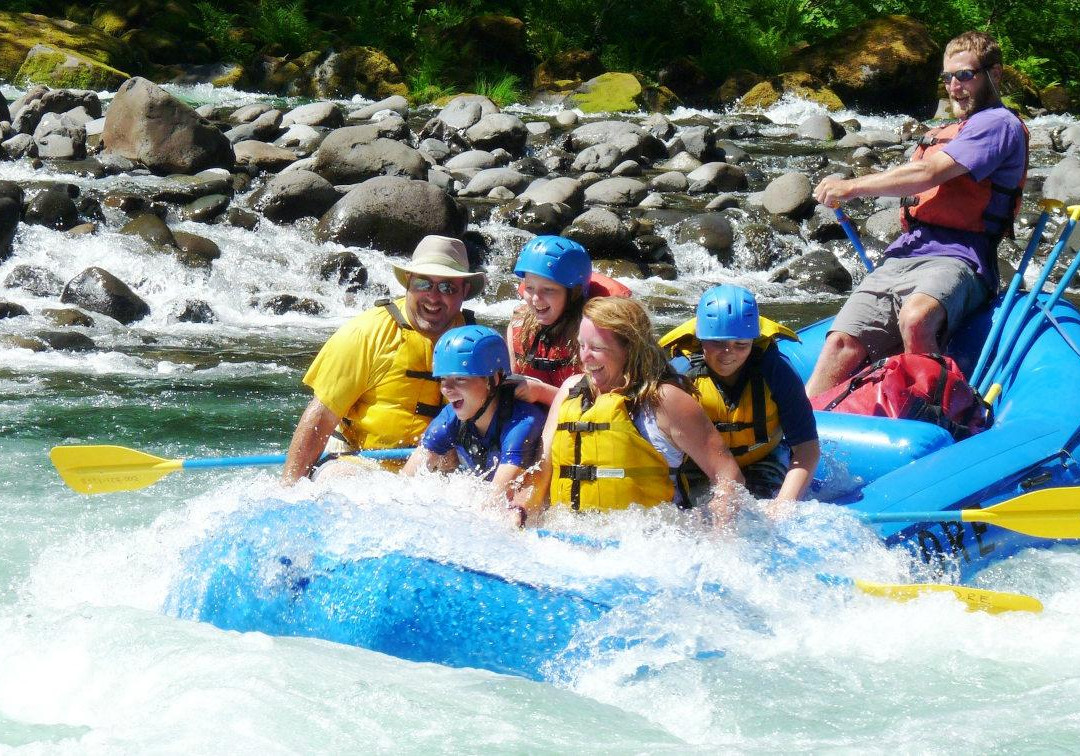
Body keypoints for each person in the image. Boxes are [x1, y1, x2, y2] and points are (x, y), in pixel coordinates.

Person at [805, 30, 1029, 397]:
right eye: (947, 77)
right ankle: (799, 439)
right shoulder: (949, 130)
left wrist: (850, 186)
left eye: (965, 75)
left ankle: (930, 415)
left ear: (995, 74)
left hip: (961, 257)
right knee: (839, 345)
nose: (954, 86)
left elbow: (928, 174)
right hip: (904, 252)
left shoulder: (998, 125)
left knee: (915, 317)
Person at [525, 297, 745, 526]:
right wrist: (521, 512)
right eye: (582, 345)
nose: (584, 357)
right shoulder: (570, 391)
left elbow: (729, 479)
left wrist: (720, 541)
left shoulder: (665, 400)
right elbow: (540, 471)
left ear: (630, 349)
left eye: (597, 348)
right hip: (565, 540)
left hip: (646, 547)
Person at [281, 235, 485, 483]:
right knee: (339, 479)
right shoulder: (364, 334)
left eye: (447, 287)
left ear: (464, 291)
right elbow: (320, 418)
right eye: (424, 283)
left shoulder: (479, 344)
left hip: (436, 471)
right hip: (361, 465)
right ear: (408, 282)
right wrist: (289, 491)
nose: (433, 297)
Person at [661, 285, 820, 501]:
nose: (729, 353)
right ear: (700, 339)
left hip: (763, 459)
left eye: (741, 344)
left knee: (759, 515)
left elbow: (807, 447)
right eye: (718, 343)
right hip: (701, 465)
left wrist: (784, 504)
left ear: (753, 341)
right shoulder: (680, 376)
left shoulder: (776, 371)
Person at [402, 325, 546, 505]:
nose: (446, 389)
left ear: (494, 379)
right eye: (443, 379)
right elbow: (404, 484)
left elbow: (492, 503)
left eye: (460, 379)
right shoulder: (450, 417)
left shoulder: (522, 422)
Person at [507, 235, 630, 406]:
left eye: (548, 290)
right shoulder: (518, 323)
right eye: (529, 288)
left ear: (575, 293)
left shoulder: (598, 335)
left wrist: (542, 393)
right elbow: (512, 377)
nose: (535, 298)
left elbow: (604, 402)